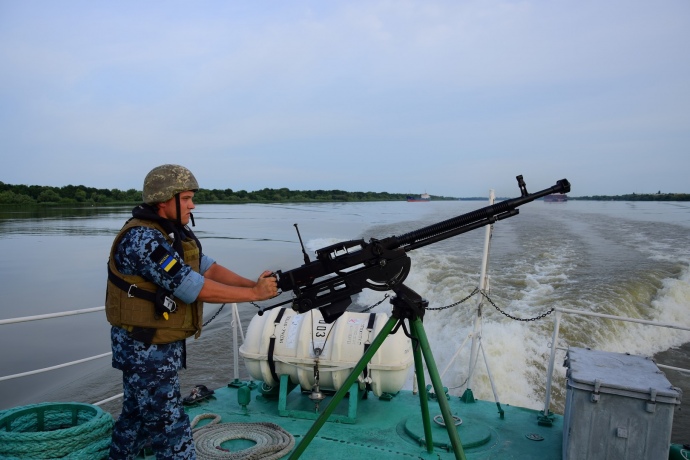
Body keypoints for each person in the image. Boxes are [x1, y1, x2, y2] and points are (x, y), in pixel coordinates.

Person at [105, 164, 277, 459]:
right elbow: (191, 286)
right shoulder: (144, 240)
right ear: (164, 200)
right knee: (170, 427)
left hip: (152, 345)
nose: (192, 205)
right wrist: (253, 295)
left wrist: (253, 284)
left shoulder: (169, 234)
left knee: (135, 419)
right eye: (185, 198)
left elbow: (208, 268)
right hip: (144, 349)